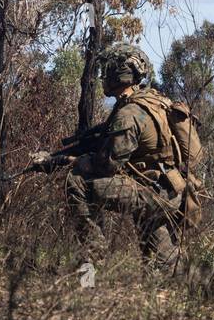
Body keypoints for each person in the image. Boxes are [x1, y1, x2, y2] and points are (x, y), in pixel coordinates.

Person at [64, 42, 198, 269]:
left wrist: (75, 161)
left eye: (108, 70)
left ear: (121, 74)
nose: (103, 76)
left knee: (77, 183)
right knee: (165, 267)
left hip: (154, 192)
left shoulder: (129, 113)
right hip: (168, 189)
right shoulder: (154, 100)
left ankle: (92, 261)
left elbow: (107, 166)